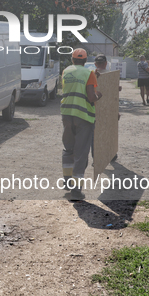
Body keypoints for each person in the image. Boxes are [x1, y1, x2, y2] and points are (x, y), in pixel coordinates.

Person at [61, 48, 102, 200]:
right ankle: (76, 190)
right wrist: (99, 95)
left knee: (68, 149)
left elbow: (74, 86)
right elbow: (91, 97)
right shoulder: (88, 73)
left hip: (67, 115)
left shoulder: (66, 71)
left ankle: (67, 181)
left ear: (72, 60)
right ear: (85, 61)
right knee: (81, 154)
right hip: (83, 117)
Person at [93, 54, 120, 162]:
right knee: (109, 132)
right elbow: (114, 96)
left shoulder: (90, 75)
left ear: (95, 64)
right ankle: (111, 154)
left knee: (95, 134)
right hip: (109, 109)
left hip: (94, 108)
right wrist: (116, 111)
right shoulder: (111, 76)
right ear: (105, 63)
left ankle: (97, 158)